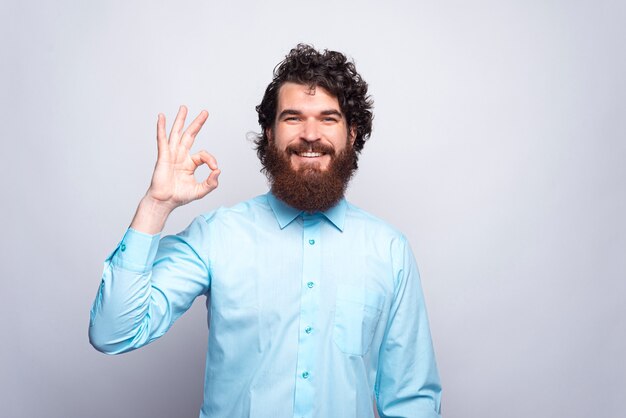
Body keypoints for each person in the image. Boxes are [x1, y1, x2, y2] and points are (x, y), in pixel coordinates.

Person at [89, 44, 442, 418]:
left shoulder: (389, 250)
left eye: (328, 118)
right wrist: (156, 206)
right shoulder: (218, 235)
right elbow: (113, 332)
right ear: (270, 134)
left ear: (352, 133)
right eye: (292, 118)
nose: (310, 134)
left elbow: (411, 401)